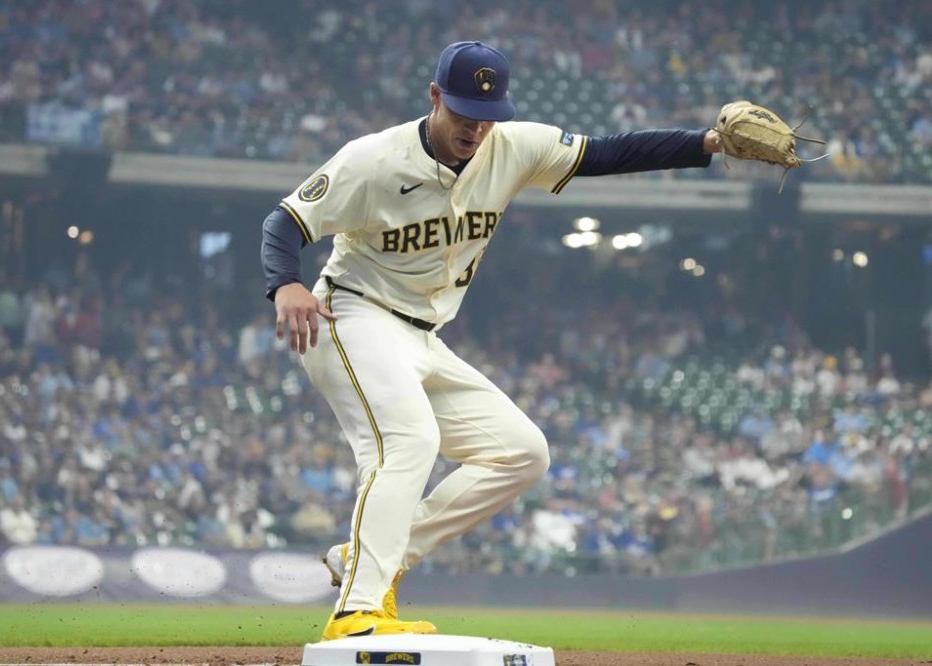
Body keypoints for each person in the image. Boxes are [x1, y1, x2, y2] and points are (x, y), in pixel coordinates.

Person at [261, 40, 723, 641]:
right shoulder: (372, 160)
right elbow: (286, 221)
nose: (475, 130)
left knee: (522, 452)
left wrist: (706, 142)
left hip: (424, 335)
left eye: (486, 118)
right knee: (410, 441)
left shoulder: (513, 145)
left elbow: (609, 154)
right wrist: (285, 286)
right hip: (353, 314)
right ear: (434, 98)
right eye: (462, 115)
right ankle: (356, 613)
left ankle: (365, 560)